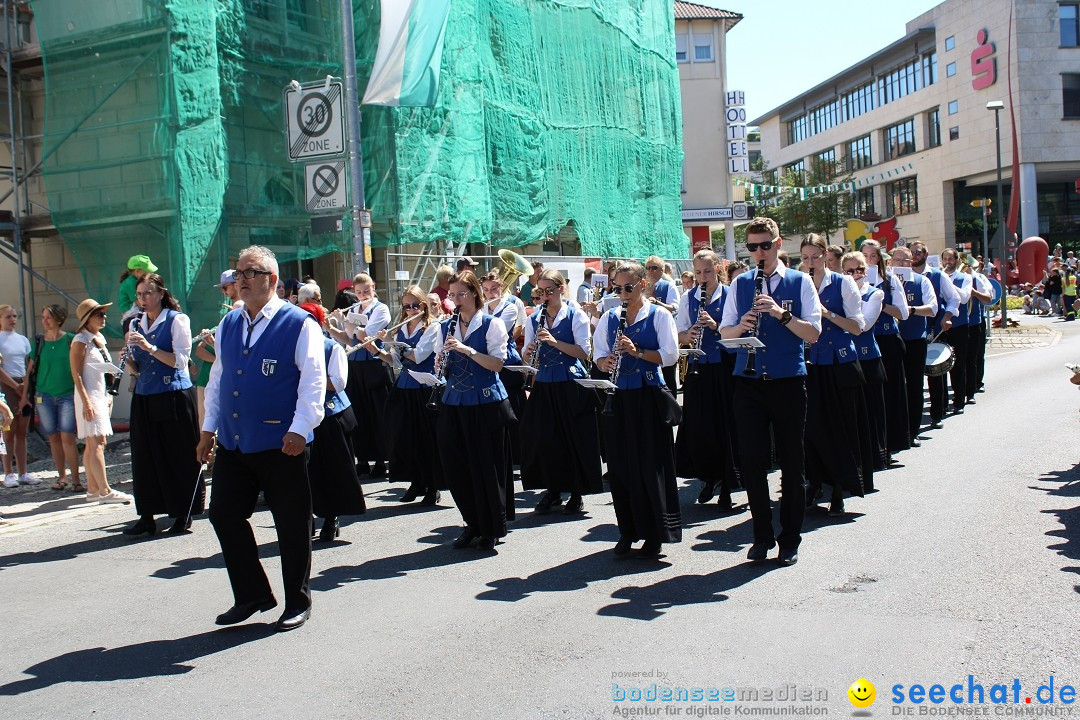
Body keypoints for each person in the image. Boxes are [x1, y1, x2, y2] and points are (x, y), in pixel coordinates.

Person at [197, 245, 326, 632]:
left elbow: (314, 382)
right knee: (223, 513)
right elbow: (218, 379)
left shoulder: (299, 323)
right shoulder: (229, 324)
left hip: (282, 441)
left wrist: (301, 428)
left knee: (290, 523)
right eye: (238, 273)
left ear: (271, 279)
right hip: (237, 441)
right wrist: (207, 429)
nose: (241, 279)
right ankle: (252, 593)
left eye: (249, 272)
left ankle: (297, 602)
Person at [720, 217, 822, 566]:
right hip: (748, 383)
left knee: (793, 463)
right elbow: (725, 336)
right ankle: (761, 535)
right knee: (752, 462)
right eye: (752, 247)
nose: (758, 253)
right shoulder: (740, 284)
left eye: (765, 245)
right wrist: (742, 325)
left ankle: (790, 538)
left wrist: (779, 314)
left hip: (788, 382)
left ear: (779, 244)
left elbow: (813, 334)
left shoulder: (801, 281)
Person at [593, 261, 681, 558]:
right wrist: (604, 363)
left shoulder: (658, 315)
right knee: (620, 467)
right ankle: (627, 530)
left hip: (648, 396)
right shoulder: (609, 317)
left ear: (643, 285)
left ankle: (656, 533)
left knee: (649, 465)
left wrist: (637, 352)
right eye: (617, 288)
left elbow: (669, 356)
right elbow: (599, 355)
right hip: (618, 397)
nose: (622, 294)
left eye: (628, 288)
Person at [434, 270, 515, 552]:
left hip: (486, 402)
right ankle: (471, 522)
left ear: (474, 294)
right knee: (458, 467)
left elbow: (497, 364)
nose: (456, 300)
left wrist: (466, 350)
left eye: (461, 294)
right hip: (455, 401)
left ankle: (491, 527)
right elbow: (440, 364)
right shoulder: (447, 325)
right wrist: (440, 363)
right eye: (452, 295)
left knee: (486, 467)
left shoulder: (492, 324)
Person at [122, 273, 204, 536]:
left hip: (173, 395)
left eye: (148, 293)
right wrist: (127, 360)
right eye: (139, 294)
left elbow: (181, 361)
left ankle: (183, 512)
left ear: (160, 294)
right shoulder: (135, 323)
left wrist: (150, 348)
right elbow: (135, 368)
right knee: (145, 456)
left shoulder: (177, 320)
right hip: (145, 396)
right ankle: (147, 515)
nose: (143, 299)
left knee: (178, 455)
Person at [519, 269, 600, 515]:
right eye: (541, 292)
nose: (545, 296)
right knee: (545, 439)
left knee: (573, 438)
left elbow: (583, 352)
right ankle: (553, 490)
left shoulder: (576, 315)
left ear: (561, 289)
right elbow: (527, 358)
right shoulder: (534, 319)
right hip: (544, 383)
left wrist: (554, 342)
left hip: (570, 382)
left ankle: (576, 493)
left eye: (550, 291)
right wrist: (529, 351)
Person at [801, 236, 870, 512]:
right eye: (805, 258)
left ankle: (841, 488)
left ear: (826, 255)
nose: (810, 263)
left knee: (841, 427)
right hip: (812, 364)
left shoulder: (843, 282)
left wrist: (827, 314)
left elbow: (857, 327)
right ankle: (815, 481)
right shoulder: (801, 282)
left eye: (815, 257)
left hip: (840, 365)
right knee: (812, 428)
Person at [675, 250, 741, 511]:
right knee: (701, 425)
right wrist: (688, 333)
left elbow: (738, 332)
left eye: (708, 272)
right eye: (699, 272)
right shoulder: (688, 298)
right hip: (698, 366)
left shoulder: (730, 295)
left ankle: (727, 483)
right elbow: (678, 333)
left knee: (726, 424)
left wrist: (715, 326)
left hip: (725, 366)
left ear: (718, 269)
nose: (703, 278)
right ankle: (708, 476)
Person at [299, 298, 366, 541]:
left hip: (331, 415)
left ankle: (330, 518)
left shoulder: (332, 347)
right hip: (304, 416)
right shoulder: (293, 348)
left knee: (332, 470)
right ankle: (307, 518)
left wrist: (307, 379)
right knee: (306, 473)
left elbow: (338, 383)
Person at [377, 286, 442, 504]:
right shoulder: (401, 330)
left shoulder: (432, 328)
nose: (411, 310)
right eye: (407, 306)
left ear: (424, 305)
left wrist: (392, 342)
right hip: (404, 387)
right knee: (405, 438)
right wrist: (378, 350)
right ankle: (416, 482)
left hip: (424, 388)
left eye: (416, 305)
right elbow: (396, 362)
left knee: (427, 440)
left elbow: (418, 355)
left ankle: (433, 486)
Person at [70, 299, 132, 504]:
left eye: (103, 314)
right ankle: (104, 490)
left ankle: (93, 489)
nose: (104, 317)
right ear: (88, 319)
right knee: (95, 441)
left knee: (96, 441)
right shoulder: (80, 340)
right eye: (99, 314)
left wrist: (107, 396)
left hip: (99, 394)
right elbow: (76, 374)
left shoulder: (98, 338)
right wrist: (86, 402)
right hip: (88, 396)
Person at [331, 273, 391, 478]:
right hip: (355, 366)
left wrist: (348, 324)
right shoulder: (355, 309)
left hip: (374, 365)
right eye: (359, 292)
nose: (363, 295)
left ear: (373, 287)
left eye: (366, 290)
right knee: (359, 413)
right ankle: (363, 459)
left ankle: (382, 460)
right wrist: (331, 325)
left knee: (378, 414)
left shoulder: (381, 309)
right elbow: (349, 340)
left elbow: (366, 336)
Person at [861, 239, 911, 454]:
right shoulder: (852, 280)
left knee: (892, 392)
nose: (869, 261)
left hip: (887, 339)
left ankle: (895, 441)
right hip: (866, 342)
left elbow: (904, 313)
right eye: (865, 257)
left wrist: (880, 303)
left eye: (873, 256)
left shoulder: (889, 280)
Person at [844, 252, 890, 473]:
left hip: (868, 358)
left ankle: (876, 457)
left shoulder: (875, 293)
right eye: (850, 271)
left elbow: (864, 324)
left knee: (872, 411)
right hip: (848, 360)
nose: (855, 274)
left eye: (859, 269)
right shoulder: (840, 291)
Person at [889, 246, 937, 447]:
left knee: (915, 385)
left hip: (914, 339)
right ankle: (895, 431)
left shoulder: (921, 281)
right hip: (891, 339)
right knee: (893, 387)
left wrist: (911, 309)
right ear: (891, 262)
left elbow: (933, 308)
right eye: (898, 260)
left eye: (906, 261)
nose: (902, 264)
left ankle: (913, 430)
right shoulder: (883, 282)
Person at [29, 305, 81, 492]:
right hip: (44, 395)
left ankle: (76, 479)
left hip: (67, 394)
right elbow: (30, 370)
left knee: (68, 436)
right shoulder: (38, 342)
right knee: (53, 437)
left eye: (48, 318)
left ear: (59, 319)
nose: (44, 321)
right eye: (43, 317)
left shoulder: (70, 340)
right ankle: (61, 477)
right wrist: (24, 396)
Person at [909, 241, 959, 430]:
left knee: (935, 372)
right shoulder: (901, 277)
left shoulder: (937, 275)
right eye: (911, 252)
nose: (914, 255)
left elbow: (954, 298)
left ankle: (937, 413)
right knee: (914, 375)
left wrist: (947, 317)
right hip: (912, 330)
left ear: (926, 253)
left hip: (934, 329)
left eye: (918, 252)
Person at [481, 272, 526, 476]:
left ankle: (518, 457)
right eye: (486, 290)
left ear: (502, 287)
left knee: (512, 410)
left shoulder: (509, 306)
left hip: (507, 362)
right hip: (485, 361)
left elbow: (497, 332)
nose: (491, 293)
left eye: (494, 289)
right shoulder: (481, 307)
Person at [194, 270, 240, 432]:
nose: (223, 292)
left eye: (225, 287)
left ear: (237, 284)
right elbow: (199, 351)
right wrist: (218, 355)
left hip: (234, 383)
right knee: (207, 427)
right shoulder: (224, 316)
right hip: (209, 379)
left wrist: (220, 355)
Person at [0, 304, 34, 487]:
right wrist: (15, 386)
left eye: (14, 316)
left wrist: (24, 386)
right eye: (8, 317)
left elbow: (28, 364)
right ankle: (8, 472)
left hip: (23, 384)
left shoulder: (23, 340)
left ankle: (23, 472)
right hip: (7, 385)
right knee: (8, 431)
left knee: (22, 431)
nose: (13, 320)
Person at [940, 249, 972, 416]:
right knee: (940, 366)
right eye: (945, 259)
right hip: (941, 326)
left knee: (958, 364)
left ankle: (959, 400)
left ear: (957, 260)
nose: (947, 262)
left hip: (959, 326)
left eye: (950, 259)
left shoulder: (965, 278)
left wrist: (947, 283)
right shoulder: (937, 276)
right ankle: (942, 402)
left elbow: (965, 298)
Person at [965, 260, 994, 403]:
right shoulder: (955, 278)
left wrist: (974, 293)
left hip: (976, 320)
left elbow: (989, 298)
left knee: (977, 354)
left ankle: (978, 382)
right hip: (962, 322)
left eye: (966, 265)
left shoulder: (979, 278)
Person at [117, 255, 157, 321]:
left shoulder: (134, 280)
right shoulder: (131, 282)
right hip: (130, 312)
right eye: (147, 272)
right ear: (137, 271)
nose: (150, 274)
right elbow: (140, 302)